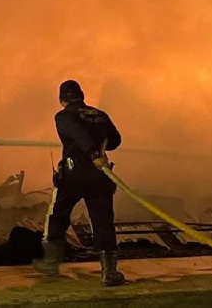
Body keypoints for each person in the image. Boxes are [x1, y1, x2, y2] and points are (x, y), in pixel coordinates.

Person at [33, 79, 125, 287]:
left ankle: (51, 261)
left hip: (73, 174)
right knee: (103, 221)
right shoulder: (100, 115)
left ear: (62, 99)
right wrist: (99, 148)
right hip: (100, 175)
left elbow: (76, 133)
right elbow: (116, 140)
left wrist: (90, 152)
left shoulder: (63, 116)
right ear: (81, 95)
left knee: (58, 214)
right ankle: (109, 272)